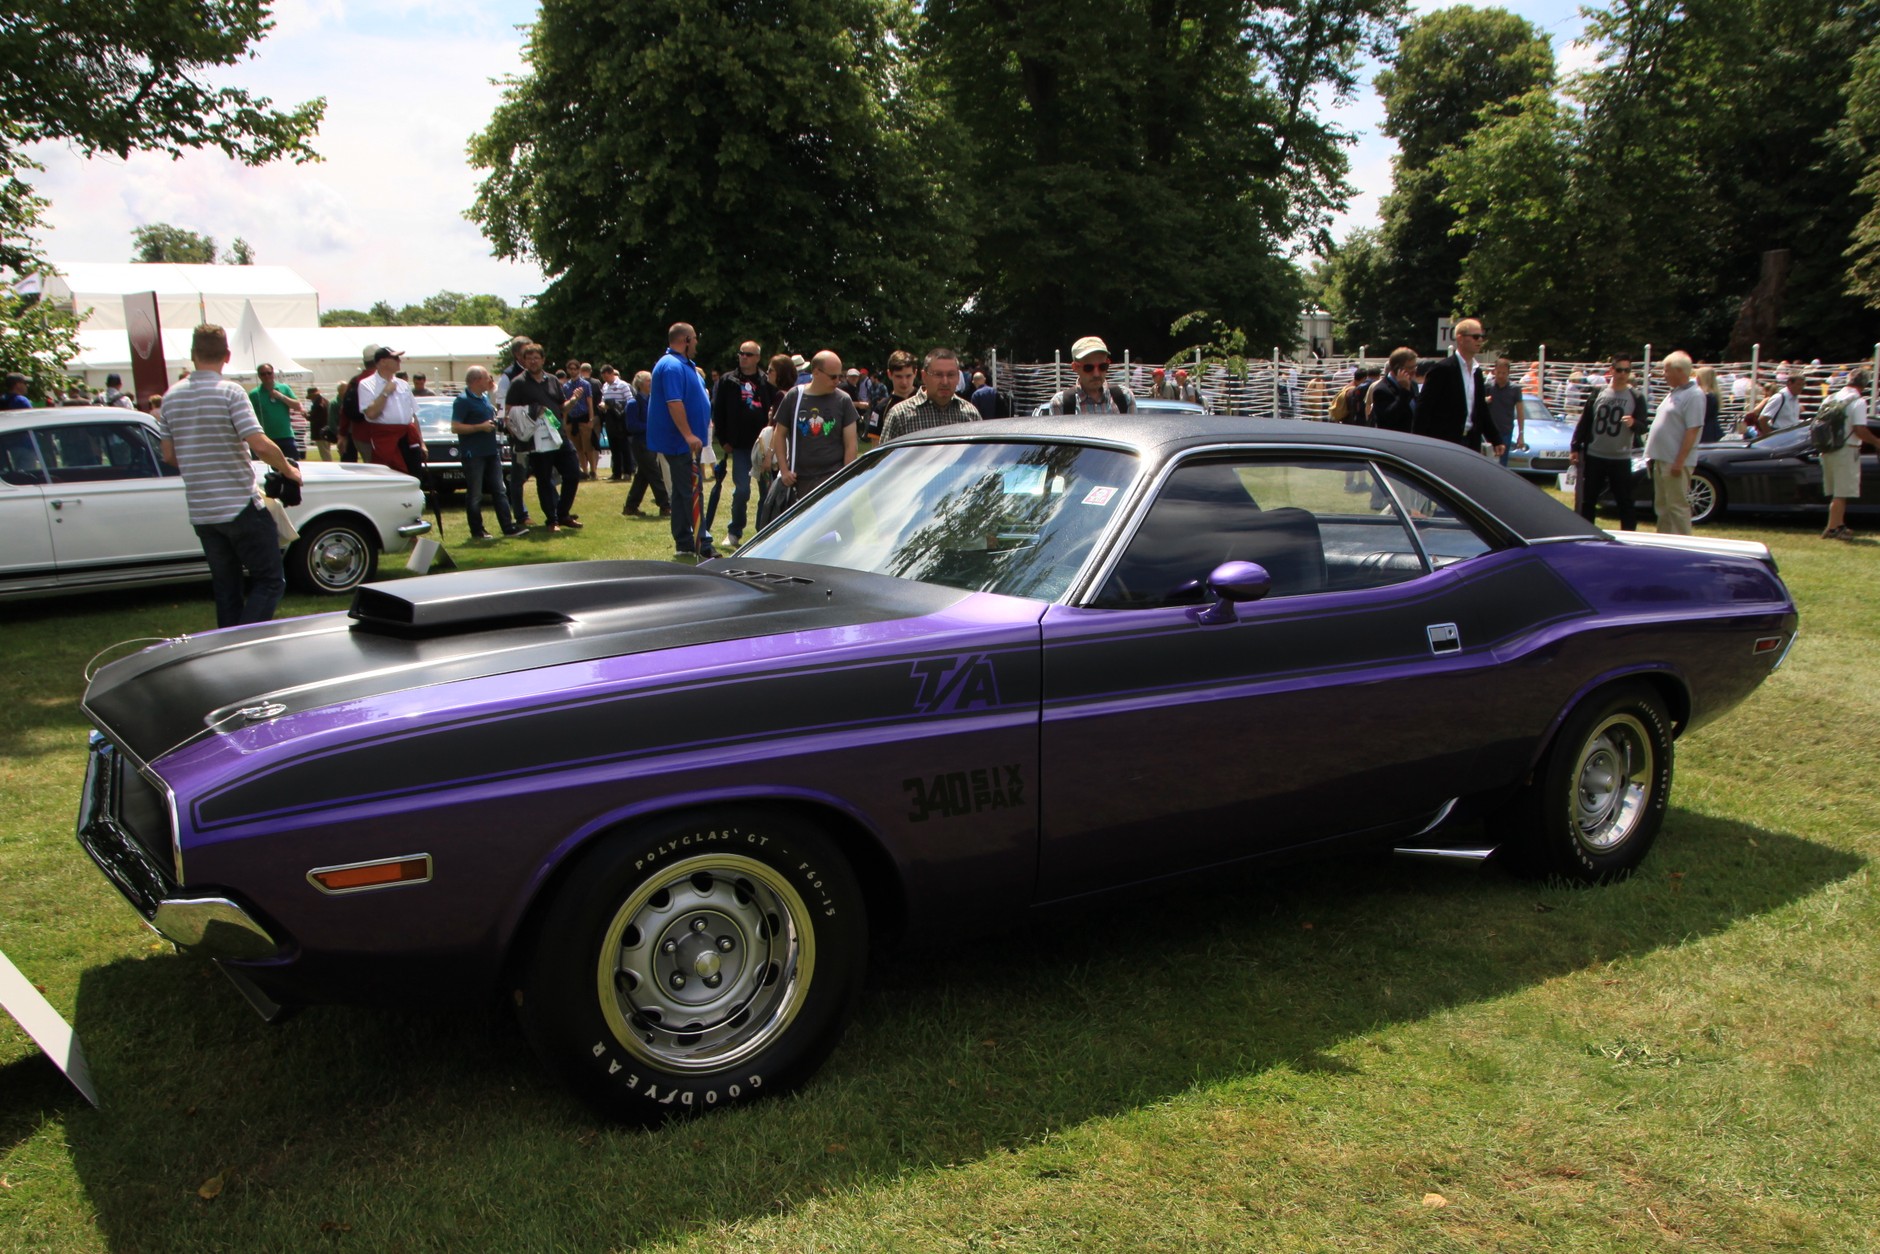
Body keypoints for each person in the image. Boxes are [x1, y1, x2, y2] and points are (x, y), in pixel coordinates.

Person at [156, 323, 301, 628]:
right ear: (227, 355)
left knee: (226, 589)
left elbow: (169, 455)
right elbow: (259, 443)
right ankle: (242, 644)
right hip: (239, 504)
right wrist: (289, 470)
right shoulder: (230, 392)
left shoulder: (171, 397)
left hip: (202, 509)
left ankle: (225, 650)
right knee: (270, 581)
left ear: (193, 354)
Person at [649, 322, 713, 559]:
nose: (696, 343)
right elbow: (674, 403)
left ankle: (684, 540)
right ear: (685, 340)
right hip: (679, 441)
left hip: (684, 441)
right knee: (691, 491)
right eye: (694, 338)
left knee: (680, 491)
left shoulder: (683, 365)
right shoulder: (671, 366)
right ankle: (702, 543)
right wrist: (688, 434)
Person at [707, 340, 777, 550]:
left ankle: (762, 532)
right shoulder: (728, 380)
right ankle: (734, 531)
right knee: (742, 491)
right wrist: (724, 439)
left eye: (748, 354)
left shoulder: (766, 381)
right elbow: (718, 411)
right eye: (741, 353)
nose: (743, 357)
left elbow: (774, 410)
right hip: (739, 446)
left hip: (762, 446)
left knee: (766, 491)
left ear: (757, 358)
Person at [507, 342, 582, 532]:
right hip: (537, 439)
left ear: (543, 360)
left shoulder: (552, 380)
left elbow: (561, 406)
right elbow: (508, 413)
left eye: (536, 358)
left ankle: (563, 514)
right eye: (528, 358)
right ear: (523, 360)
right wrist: (532, 411)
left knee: (573, 472)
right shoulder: (518, 383)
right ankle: (552, 520)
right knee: (544, 479)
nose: (532, 361)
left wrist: (573, 401)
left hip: (557, 433)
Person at [1570, 355, 1646, 531]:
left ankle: (1629, 536)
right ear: (1611, 370)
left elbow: (1643, 426)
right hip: (1595, 454)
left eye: (1627, 370)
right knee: (1589, 499)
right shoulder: (1598, 392)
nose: (1622, 374)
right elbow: (1586, 421)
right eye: (1619, 370)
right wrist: (1575, 446)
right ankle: (1586, 533)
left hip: (1621, 457)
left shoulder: (1635, 396)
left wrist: (1634, 423)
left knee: (1624, 500)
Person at [770, 350, 859, 497]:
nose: (837, 381)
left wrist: (845, 479)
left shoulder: (844, 400)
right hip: (799, 480)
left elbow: (851, 445)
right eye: (833, 376)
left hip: (832, 479)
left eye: (840, 376)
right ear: (817, 372)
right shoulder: (794, 396)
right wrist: (784, 471)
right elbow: (779, 434)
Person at [452, 365, 525, 540]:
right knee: (476, 493)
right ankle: (477, 531)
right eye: (487, 377)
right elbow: (455, 427)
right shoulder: (462, 400)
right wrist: (480, 427)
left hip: (491, 452)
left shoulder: (484, 398)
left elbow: (495, 409)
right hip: (473, 454)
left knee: (500, 489)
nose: (490, 380)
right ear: (477, 380)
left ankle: (508, 527)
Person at [1413, 317, 1503, 454]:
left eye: (1481, 337)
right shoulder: (1442, 369)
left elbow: (1481, 409)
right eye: (1475, 337)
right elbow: (1424, 408)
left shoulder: (1476, 372)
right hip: (1445, 442)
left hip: (1471, 441)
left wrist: (1495, 439)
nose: (1480, 340)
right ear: (1460, 338)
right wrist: (1418, 443)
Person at [1645, 351, 1705, 536]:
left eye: (1666, 370)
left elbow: (1692, 430)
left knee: (1677, 505)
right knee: (1662, 505)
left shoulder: (1694, 395)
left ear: (1679, 370)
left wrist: (1680, 460)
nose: (1664, 375)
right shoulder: (1674, 393)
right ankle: (1664, 541)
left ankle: (1682, 543)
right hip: (1662, 458)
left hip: (1675, 460)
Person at [1821, 368, 1878, 540]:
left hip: (1827, 449)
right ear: (1864, 384)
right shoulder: (1858, 401)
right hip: (1846, 449)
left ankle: (1839, 524)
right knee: (1841, 493)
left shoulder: (1830, 397)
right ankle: (1831, 529)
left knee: (1837, 492)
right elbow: (1859, 429)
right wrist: (1877, 442)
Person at [880, 347, 980, 442]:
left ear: (958, 377)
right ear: (924, 376)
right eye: (938, 374)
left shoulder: (971, 414)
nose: (945, 382)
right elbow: (884, 458)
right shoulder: (899, 416)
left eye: (950, 375)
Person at [356, 348, 425, 476]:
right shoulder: (366, 384)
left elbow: (413, 415)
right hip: (385, 439)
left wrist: (422, 443)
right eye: (395, 358)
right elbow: (370, 414)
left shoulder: (403, 384)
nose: (399, 361)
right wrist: (385, 392)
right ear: (382, 362)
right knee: (391, 475)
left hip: (408, 437)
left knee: (414, 475)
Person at [621, 369, 670, 518]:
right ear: (640, 384)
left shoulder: (651, 400)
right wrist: (650, 426)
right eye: (649, 381)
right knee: (655, 474)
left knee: (642, 477)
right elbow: (631, 426)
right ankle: (665, 506)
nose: (652, 383)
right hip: (641, 444)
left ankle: (630, 506)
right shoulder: (633, 403)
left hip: (651, 442)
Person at [1048, 336, 1137, 414]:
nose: (1096, 374)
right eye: (1088, 368)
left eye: (1102, 366)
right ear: (1075, 367)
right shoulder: (1060, 403)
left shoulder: (1125, 397)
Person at [248, 363, 304, 460]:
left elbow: (297, 406)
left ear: (273, 374)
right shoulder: (254, 394)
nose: (267, 376)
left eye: (269, 373)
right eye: (263, 374)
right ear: (259, 376)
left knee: (292, 465)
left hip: (285, 436)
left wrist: (281, 396)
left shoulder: (284, 388)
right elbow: (250, 416)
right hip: (265, 438)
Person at [562, 358, 597, 480]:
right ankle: (584, 471)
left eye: (574, 369)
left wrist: (591, 419)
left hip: (584, 418)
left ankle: (593, 470)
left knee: (588, 447)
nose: (572, 371)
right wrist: (565, 421)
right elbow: (564, 404)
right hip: (572, 418)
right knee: (578, 448)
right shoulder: (566, 386)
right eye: (570, 369)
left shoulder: (585, 384)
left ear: (578, 369)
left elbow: (590, 402)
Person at [1483, 357, 1523, 466]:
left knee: (1502, 462)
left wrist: (1521, 434)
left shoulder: (1515, 389)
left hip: (1505, 431)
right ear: (1494, 371)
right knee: (1485, 461)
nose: (1501, 376)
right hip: (1488, 431)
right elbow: (1478, 406)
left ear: (1508, 373)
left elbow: (1520, 412)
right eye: (1499, 372)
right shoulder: (1488, 387)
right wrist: (1485, 400)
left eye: (1504, 373)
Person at [1368, 348, 1418, 433]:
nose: (1414, 371)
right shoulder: (1381, 389)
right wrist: (1404, 391)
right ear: (1397, 369)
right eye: (1410, 368)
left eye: (1415, 367)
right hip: (1395, 439)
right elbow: (1389, 418)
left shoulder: (1413, 384)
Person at [599, 364, 632, 480]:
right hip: (609, 417)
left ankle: (628, 471)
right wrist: (603, 405)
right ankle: (616, 472)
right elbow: (603, 400)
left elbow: (630, 400)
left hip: (621, 418)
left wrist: (616, 405)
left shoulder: (623, 385)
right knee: (613, 446)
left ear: (612, 373)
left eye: (606, 377)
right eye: (603, 377)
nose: (605, 379)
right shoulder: (605, 386)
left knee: (624, 445)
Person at [1752, 371, 1805, 437]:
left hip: (1792, 437)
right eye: (1798, 384)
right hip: (1780, 436)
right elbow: (1762, 419)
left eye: (1803, 384)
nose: (1801, 387)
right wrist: (1771, 438)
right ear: (1789, 383)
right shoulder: (1779, 398)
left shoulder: (1795, 398)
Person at [1694, 365, 1724, 443]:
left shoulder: (1707, 397)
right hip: (1712, 430)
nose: (1696, 379)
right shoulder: (1714, 394)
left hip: (1706, 433)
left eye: (1698, 376)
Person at [304, 386, 331, 460]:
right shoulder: (325, 401)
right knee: (327, 451)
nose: (311, 399)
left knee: (325, 453)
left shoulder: (318, 404)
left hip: (320, 432)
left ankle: (329, 468)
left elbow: (314, 417)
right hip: (327, 431)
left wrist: (306, 415)